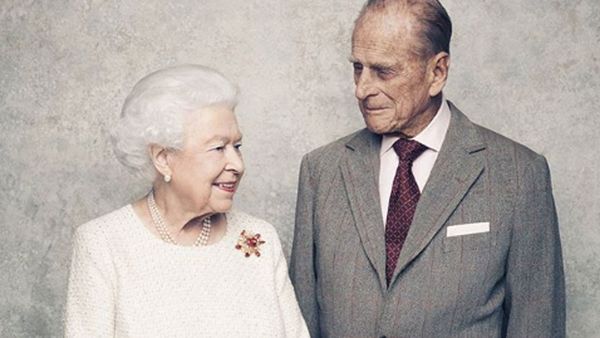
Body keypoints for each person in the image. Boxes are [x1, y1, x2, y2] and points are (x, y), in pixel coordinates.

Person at [290, 1, 565, 337]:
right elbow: (299, 323)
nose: (362, 89)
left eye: (383, 71)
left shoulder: (520, 175)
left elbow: (537, 325)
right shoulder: (321, 171)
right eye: (357, 68)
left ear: (437, 72)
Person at [64, 64, 309, 337]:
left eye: (237, 146)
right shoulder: (103, 244)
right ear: (163, 159)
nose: (237, 164)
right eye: (218, 148)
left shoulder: (260, 238)